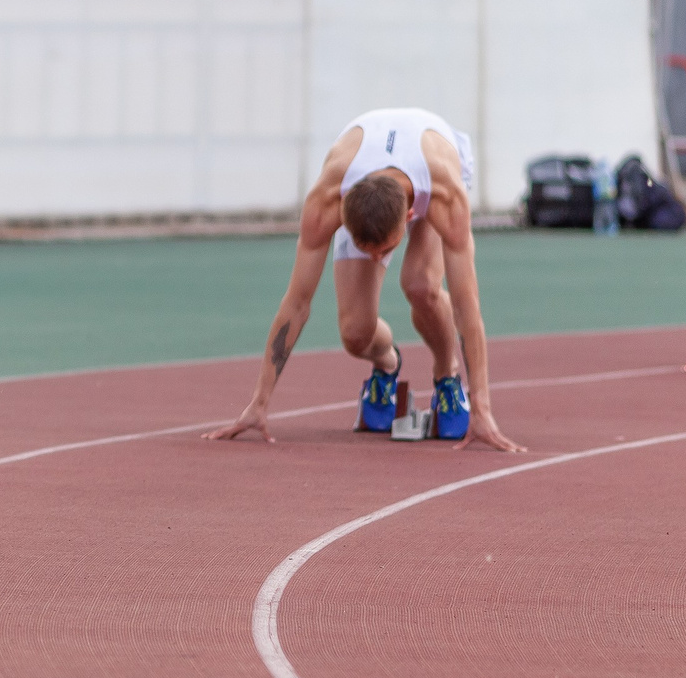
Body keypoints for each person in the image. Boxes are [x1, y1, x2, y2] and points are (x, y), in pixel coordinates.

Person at [209, 106, 523, 451]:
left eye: (385, 249)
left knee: (421, 285)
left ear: (410, 215)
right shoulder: (327, 199)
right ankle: (387, 365)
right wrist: (259, 403)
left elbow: (467, 307)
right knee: (355, 333)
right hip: (366, 171)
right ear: (343, 216)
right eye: (366, 250)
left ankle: (447, 378)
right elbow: (297, 303)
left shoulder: (444, 195)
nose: (378, 260)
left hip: (432, 159)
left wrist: (482, 408)